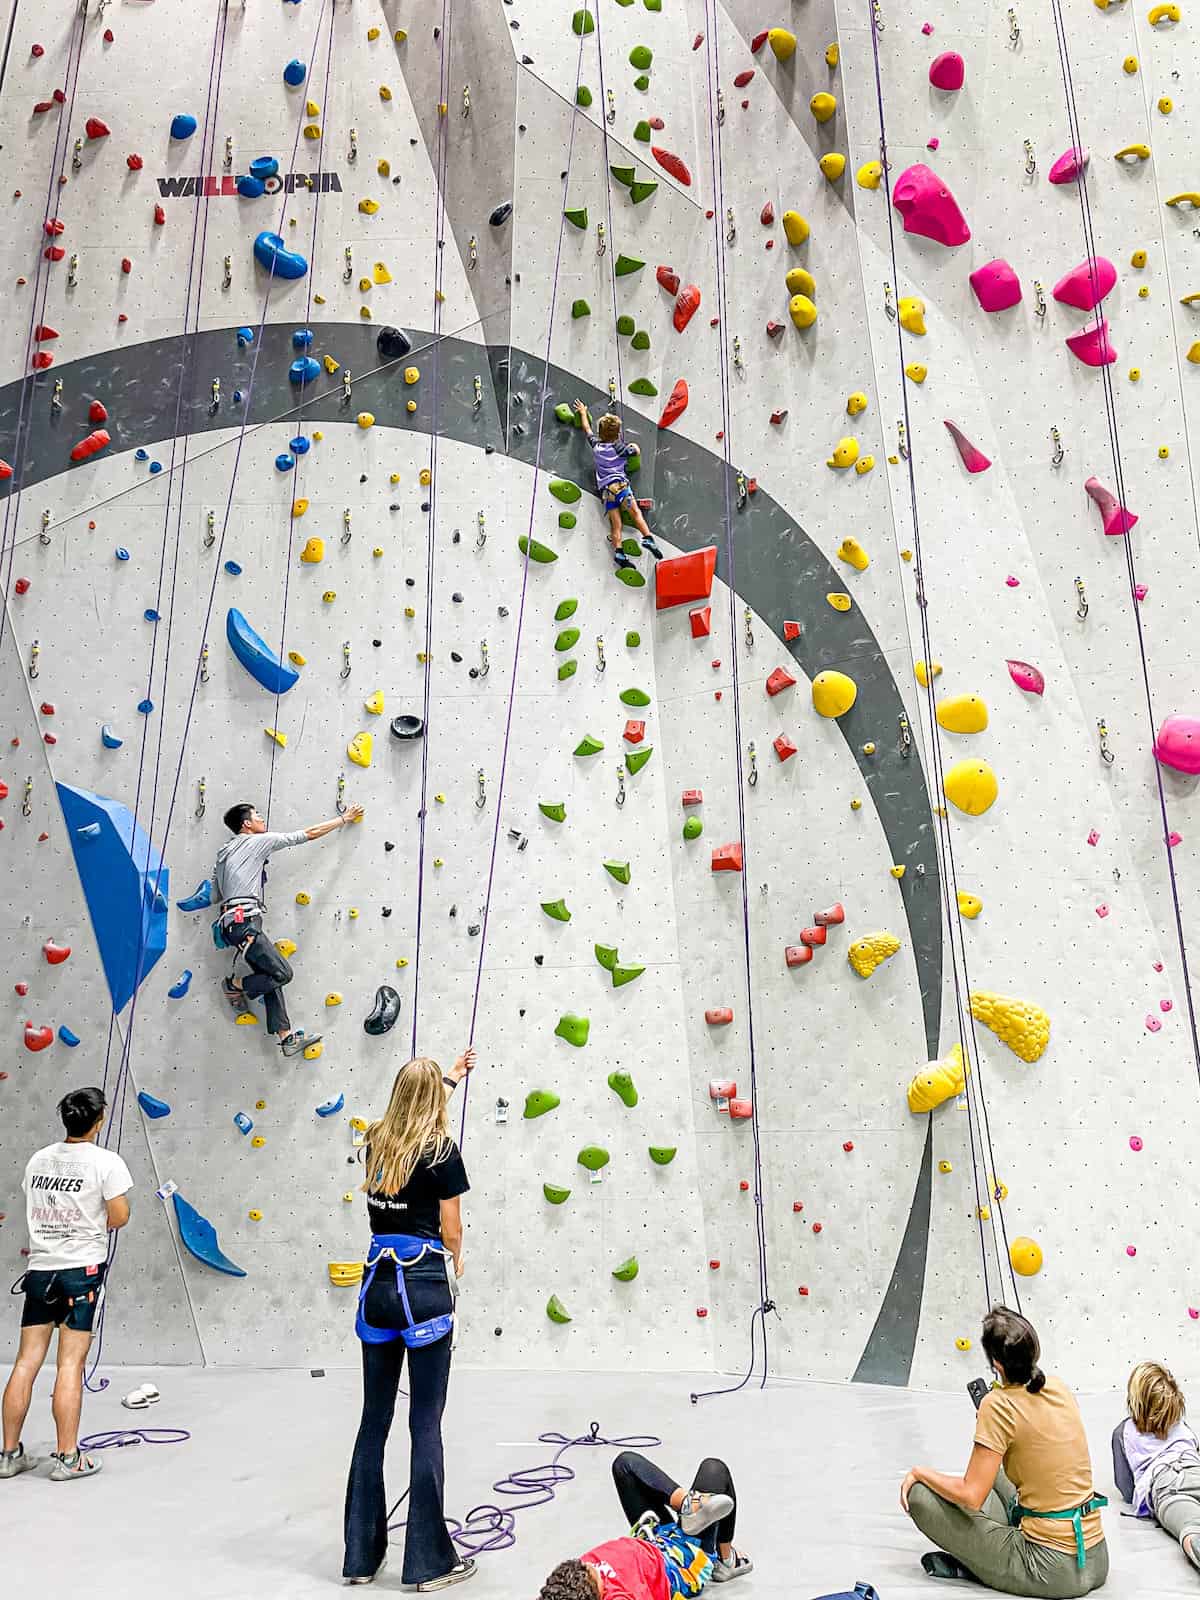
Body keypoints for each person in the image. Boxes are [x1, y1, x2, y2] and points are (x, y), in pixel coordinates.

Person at [343, 1049, 477, 1589]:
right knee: (425, 1421)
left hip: (377, 1284)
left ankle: (358, 1559)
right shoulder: (441, 1150)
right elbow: (451, 1225)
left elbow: (410, 1119)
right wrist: (458, 1258)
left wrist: (448, 1078)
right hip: (421, 1286)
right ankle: (426, 1563)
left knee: (373, 1419)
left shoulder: (376, 1141)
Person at [901, 1306, 1108, 1596]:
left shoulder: (996, 1404)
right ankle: (986, 1561)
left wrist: (919, 1472)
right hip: (1095, 1557)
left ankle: (976, 1566)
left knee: (919, 1495)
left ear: (997, 1364)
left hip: (1050, 1568)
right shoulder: (1058, 1387)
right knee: (997, 1473)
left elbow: (971, 1496)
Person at [1, 1087, 132, 1483]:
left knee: (26, 1362)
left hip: (41, 1271)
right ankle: (68, 1457)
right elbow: (119, 1216)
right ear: (99, 1120)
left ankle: (7, 1455)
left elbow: (35, 1200)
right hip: (81, 1273)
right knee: (70, 1364)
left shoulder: (38, 1159)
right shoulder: (106, 1163)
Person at [214, 799, 364, 1057]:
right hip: (245, 921)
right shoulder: (255, 841)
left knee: (272, 978)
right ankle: (235, 984)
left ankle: (286, 1038)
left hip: (233, 923)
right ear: (247, 824)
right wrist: (344, 819)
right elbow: (307, 834)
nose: (262, 818)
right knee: (283, 974)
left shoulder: (225, 852)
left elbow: (217, 892)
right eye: (257, 815)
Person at [537, 1450, 752, 1599]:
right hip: (684, 1557)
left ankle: (687, 1505)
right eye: (591, 1571)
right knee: (714, 1469)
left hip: (653, 1535)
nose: (591, 1565)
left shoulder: (571, 1580)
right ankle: (725, 1560)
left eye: (586, 1566)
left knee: (624, 1464)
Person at [1113, 1361, 1200, 1572]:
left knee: (1190, 1528)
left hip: (1166, 1486)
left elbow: (1126, 1488)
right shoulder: (1182, 1425)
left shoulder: (1122, 1433)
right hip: (1193, 1469)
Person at [573, 400, 663, 571]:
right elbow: (635, 451)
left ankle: (619, 554)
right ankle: (648, 538)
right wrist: (634, 446)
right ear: (618, 434)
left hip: (607, 493)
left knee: (616, 525)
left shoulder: (596, 445)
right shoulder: (620, 449)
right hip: (621, 488)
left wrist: (583, 412)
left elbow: (587, 429)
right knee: (636, 514)